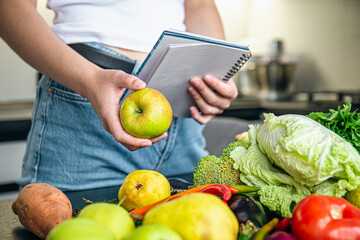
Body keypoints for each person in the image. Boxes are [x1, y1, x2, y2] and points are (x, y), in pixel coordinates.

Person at [0, 0, 238, 191]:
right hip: (85, 105)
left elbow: (199, 5)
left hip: (181, 106)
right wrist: (90, 80)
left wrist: (218, 75)